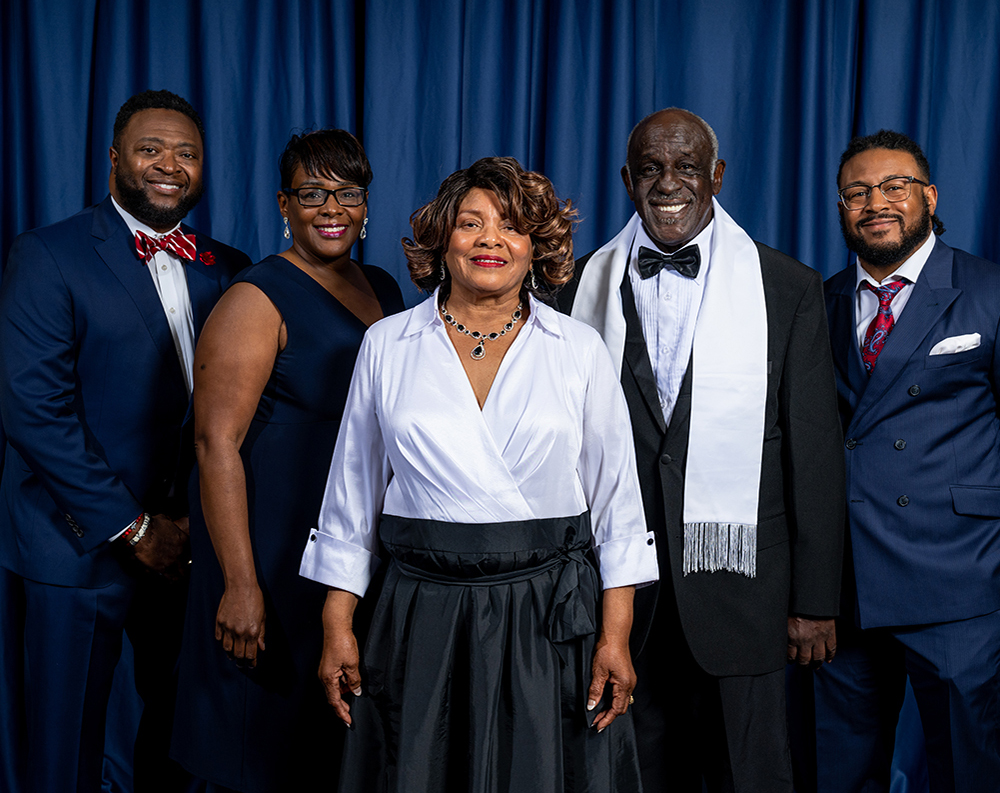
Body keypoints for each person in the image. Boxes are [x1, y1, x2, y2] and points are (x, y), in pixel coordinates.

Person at [298, 156, 659, 793]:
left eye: (512, 226)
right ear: (442, 241)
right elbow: (350, 501)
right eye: (471, 224)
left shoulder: (578, 349)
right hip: (419, 611)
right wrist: (336, 626)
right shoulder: (386, 343)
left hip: (547, 619)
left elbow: (617, 507)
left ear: (536, 246)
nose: (490, 239)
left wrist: (616, 636)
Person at [559, 108, 845, 792]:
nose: (668, 183)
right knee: (627, 771)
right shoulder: (575, 288)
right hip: (618, 597)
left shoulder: (788, 287)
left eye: (686, 166)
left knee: (748, 775)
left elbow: (814, 452)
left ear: (715, 175)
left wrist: (815, 599)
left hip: (744, 590)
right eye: (651, 169)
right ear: (627, 180)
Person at [0, 89, 249, 793]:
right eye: (151, 149)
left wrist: (196, 531)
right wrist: (135, 528)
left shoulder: (228, 267)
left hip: (191, 550)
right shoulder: (49, 255)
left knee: (181, 741)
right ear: (114, 160)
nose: (170, 165)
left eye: (187, 153)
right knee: (64, 750)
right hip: (76, 541)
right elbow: (33, 413)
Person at [170, 130, 404, 792]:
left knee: (327, 747)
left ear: (364, 204)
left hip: (345, 550)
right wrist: (240, 583)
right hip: (268, 552)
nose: (331, 209)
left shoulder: (383, 287)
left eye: (347, 193)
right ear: (284, 203)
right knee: (258, 745)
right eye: (311, 193)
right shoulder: (255, 296)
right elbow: (215, 445)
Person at [805, 129, 1000, 792]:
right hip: (844, 594)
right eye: (857, 192)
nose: (875, 202)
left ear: (929, 197)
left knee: (966, 772)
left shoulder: (987, 291)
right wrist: (809, 592)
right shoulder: (816, 303)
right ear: (839, 207)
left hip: (960, 582)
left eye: (894, 187)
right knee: (837, 775)